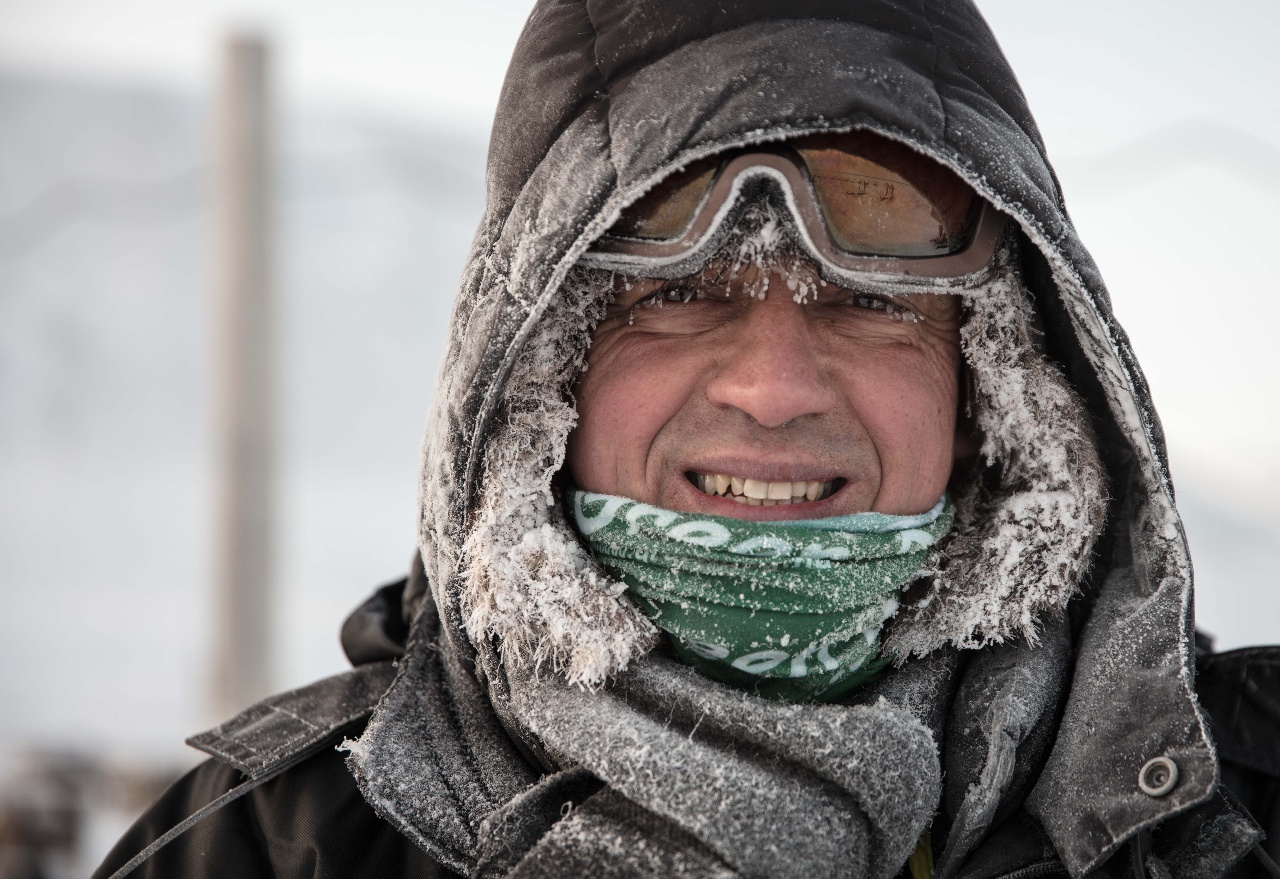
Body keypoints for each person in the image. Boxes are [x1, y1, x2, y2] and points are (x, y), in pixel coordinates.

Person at [95, 2, 1280, 878]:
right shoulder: (262, 849)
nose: (772, 389)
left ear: (996, 401)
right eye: (674, 297)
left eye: (870, 304)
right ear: (527, 395)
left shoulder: (1233, 821)